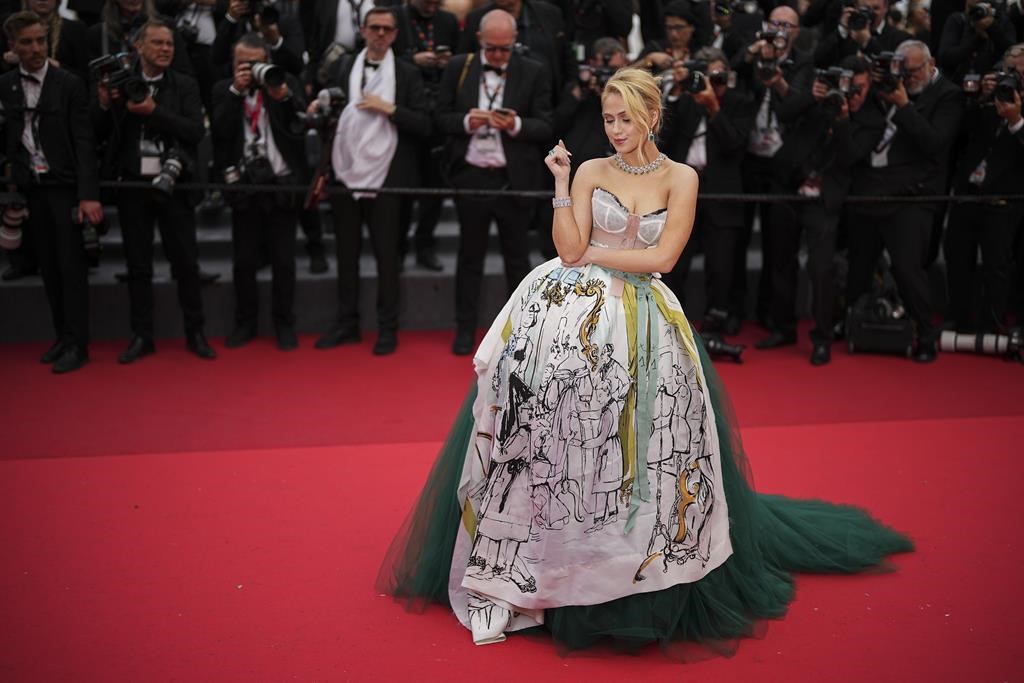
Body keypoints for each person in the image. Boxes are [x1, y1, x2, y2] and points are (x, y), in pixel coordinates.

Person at [377, 68, 913, 651]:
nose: (615, 131)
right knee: (541, 425)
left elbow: (664, 256)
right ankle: (516, 571)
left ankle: (625, 567)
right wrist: (561, 184)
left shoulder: (681, 177)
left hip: (644, 315)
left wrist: (599, 255)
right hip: (564, 304)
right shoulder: (588, 170)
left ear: (652, 116)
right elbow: (567, 249)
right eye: (608, 120)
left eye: (625, 119)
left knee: (645, 442)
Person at [92, 17, 216, 363]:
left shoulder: (186, 84)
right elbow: (102, 133)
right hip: (134, 185)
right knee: (138, 265)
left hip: (174, 183)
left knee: (187, 263)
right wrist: (105, 102)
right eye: (158, 43)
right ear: (139, 47)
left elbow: (194, 131)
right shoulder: (121, 82)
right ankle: (141, 335)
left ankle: (196, 332)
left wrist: (154, 112)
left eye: (170, 44)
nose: (165, 49)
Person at [313, 6, 431, 356]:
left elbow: (426, 125)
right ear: (362, 30)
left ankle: (387, 328)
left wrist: (389, 108)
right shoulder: (344, 65)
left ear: (395, 34)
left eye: (387, 29)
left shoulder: (407, 74)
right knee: (345, 253)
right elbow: (332, 111)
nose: (380, 34)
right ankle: (347, 323)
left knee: (386, 255)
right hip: (344, 169)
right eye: (374, 27)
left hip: (388, 174)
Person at [438, 9, 553, 356]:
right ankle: (464, 328)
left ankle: (521, 333)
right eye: (493, 49)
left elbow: (546, 125)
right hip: (471, 174)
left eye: (506, 49)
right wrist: (466, 121)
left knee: (517, 260)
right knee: (469, 257)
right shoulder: (459, 67)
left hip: (513, 178)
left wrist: (515, 125)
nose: (500, 55)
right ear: (479, 41)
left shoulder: (534, 70)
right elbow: (439, 117)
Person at [846, 39, 964, 362]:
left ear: (931, 63)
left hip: (913, 196)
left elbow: (934, 143)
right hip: (871, 191)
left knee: (908, 269)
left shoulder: (948, 96)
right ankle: (852, 323)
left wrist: (904, 105)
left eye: (912, 71)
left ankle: (926, 335)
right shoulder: (886, 87)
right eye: (902, 70)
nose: (907, 77)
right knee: (859, 263)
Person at [0, 11, 103, 373]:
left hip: (66, 188)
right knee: (48, 269)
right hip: (33, 191)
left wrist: (88, 194)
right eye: (26, 42)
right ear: (12, 46)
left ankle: (79, 344)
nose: (35, 48)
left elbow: (85, 141)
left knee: (71, 269)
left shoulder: (69, 83)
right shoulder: (6, 85)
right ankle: (62, 337)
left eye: (40, 40)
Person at [212, 33, 308, 351]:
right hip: (244, 186)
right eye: (244, 63)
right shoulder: (222, 90)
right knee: (244, 261)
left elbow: (301, 125)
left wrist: (282, 95)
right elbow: (220, 135)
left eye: (256, 62)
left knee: (284, 261)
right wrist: (236, 92)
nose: (251, 69)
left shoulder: (282, 83)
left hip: (281, 183)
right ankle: (245, 322)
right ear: (233, 63)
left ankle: (284, 323)